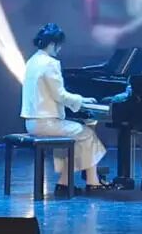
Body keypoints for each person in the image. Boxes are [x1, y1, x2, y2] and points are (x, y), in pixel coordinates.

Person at [20, 23, 108, 195]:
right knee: (87, 133)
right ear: (53, 43)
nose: (60, 49)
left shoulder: (32, 61)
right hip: (45, 123)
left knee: (75, 136)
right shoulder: (50, 63)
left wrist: (79, 102)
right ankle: (92, 182)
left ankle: (64, 183)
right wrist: (82, 100)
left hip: (32, 123)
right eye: (59, 45)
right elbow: (60, 95)